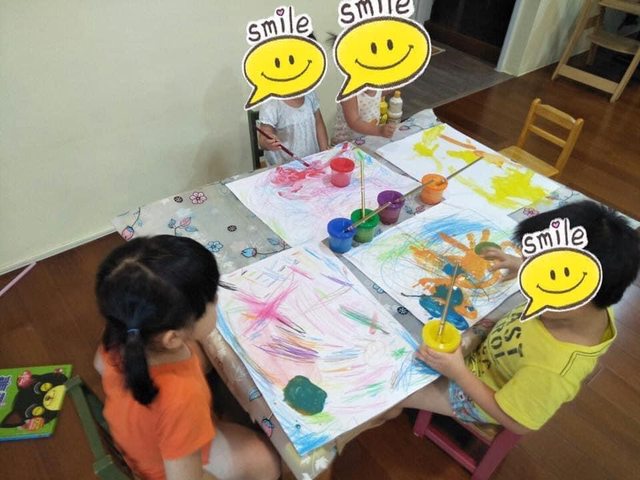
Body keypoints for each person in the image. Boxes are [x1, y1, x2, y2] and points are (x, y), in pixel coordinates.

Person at [400, 200, 640, 435]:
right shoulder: (593, 300)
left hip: (479, 396)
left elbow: (517, 423)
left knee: (395, 398)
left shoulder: (553, 372)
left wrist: (459, 373)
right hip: (483, 351)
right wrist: (519, 263)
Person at [93, 235, 280, 480]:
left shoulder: (121, 332)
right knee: (268, 461)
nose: (217, 300)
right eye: (211, 299)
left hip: (135, 439)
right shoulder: (181, 398)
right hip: (161, 468)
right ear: (172, 338)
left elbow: (99, 365)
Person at [258, 91, 329, 166]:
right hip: (283, 166)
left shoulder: (309, 94)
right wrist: (267, 143)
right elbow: (263, 139)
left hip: (312, 160)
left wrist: (324, 152)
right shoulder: (271, 102)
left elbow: (319, 123)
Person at [332, 89, 396, 144]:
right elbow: (354, 122)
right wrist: (379, 130)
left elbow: (385, 90)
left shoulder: (376, 87)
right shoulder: (349, 93)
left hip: (366, 137)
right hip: (347, 143)